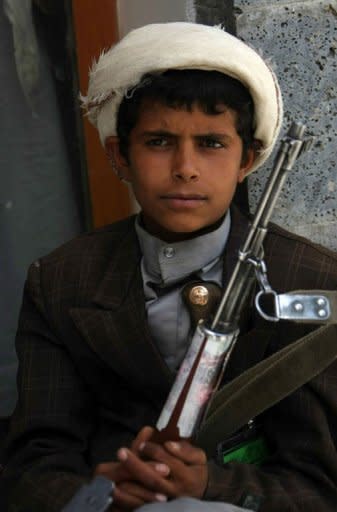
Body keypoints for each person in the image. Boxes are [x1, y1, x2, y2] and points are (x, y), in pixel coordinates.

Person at [1, 21, 337, 512]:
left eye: (212, 143)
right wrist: (102, 494)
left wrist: (211, 488)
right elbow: (34, 464)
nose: (185, 167)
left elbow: (321, 485)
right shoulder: (62, 281)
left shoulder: (311, 280)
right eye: (159, 141)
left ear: (249, 158)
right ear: (120, 155)